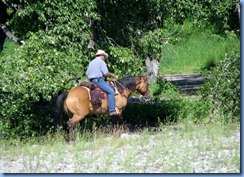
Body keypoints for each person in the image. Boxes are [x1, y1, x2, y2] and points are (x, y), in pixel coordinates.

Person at [86, 49, 119, 116]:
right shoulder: (101, 62)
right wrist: (112, 75)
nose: (104, 58)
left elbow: (87, 73)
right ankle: (112, 110)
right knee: (111, 91)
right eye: (104, 56)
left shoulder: (91, 62)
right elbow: (105, 73)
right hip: (98, 80)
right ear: (101, 56)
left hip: (91, 80)